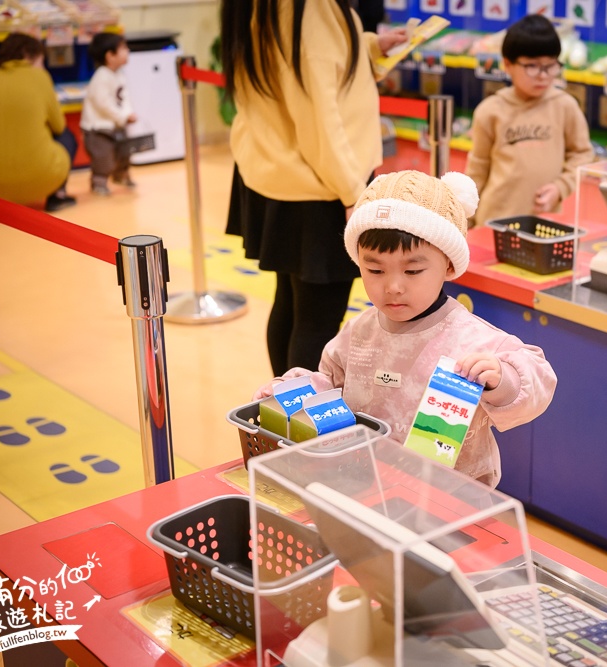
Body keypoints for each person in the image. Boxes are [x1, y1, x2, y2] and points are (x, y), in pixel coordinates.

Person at [254, 171, 557, 487]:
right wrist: (294, 392)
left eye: (413, 270)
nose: (393, 286)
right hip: (365, 483)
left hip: (451, 496)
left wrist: (502, 379)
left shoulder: (471, 338)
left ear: (449, 265)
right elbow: (330, 383)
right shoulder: (359, 333)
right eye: (375, 269)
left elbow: (539, 380)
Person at [221, 0, 406, 376]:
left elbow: (309, 67)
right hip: (320, 186)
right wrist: (353, 192)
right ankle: (303, 425)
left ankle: (287, 416)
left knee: (292, 304)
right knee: (318, 320)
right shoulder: (310, 10)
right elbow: (320, 118)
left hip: (279, 174)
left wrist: (368, 46)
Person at [466, 14, 594, 226]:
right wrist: (466, 221)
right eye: (532, 66)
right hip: (494, 222)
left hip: (544, 223)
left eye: (550, 65)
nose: (543, 75)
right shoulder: (490, 111)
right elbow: (477, 170)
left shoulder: (565, 106)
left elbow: (582, 154)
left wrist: (560, 187)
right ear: (508, 64)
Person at [0, 32, 77, 212]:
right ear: (28, 55)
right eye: (41, 62)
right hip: (41, 176)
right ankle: (57, 196)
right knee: (67, 137)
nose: (42, 68)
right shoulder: (40, 77)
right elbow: (59, 126)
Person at [81, 33, 137, 196]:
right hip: (98, 128)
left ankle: (121, 175)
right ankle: (98, 182)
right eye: (123, 49)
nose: (128, 51)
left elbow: (124, 97)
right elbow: (103, 104)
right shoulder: (101, 77)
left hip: (116, 124)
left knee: (124, 152)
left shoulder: (119, 74)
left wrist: (128, 113)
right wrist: (122, 116)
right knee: (103, 157)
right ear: (110, 56)